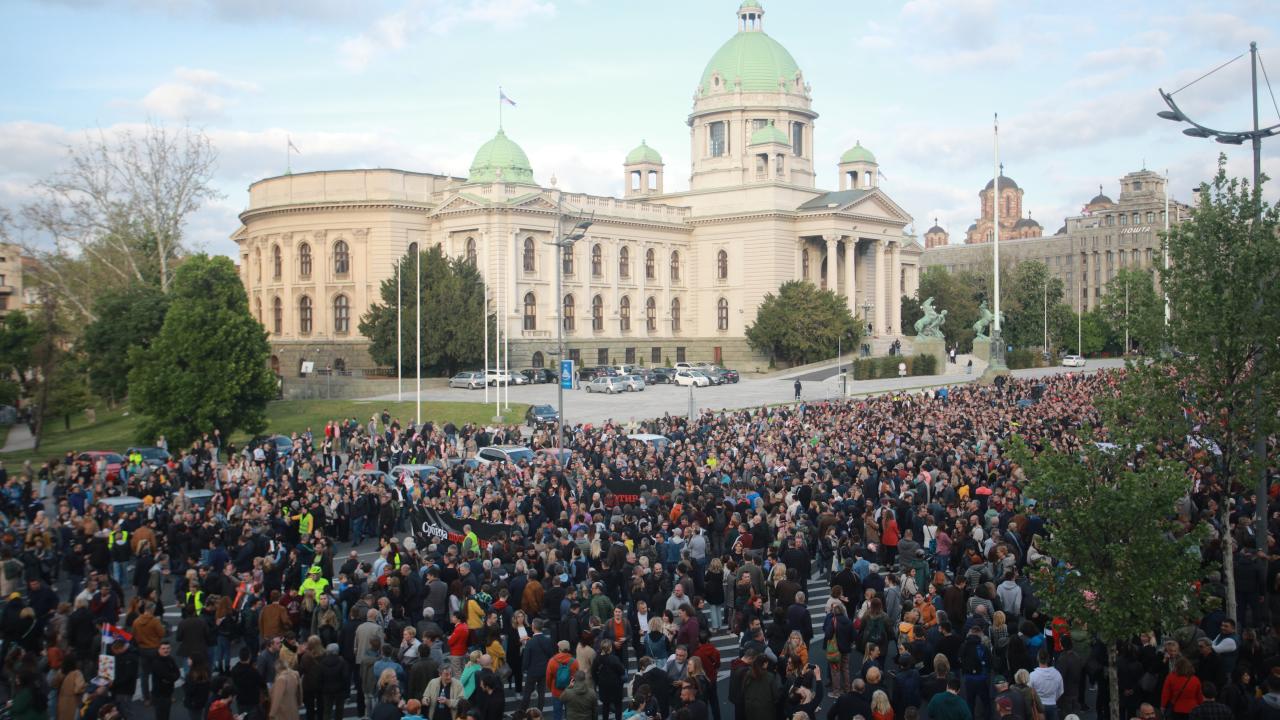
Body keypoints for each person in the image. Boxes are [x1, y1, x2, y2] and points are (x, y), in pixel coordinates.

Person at [1028, 650, 1064, 720]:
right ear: (1048, 659)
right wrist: (1053, 699)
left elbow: (1029, 691)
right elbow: (1061, 691)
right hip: (1052, 705)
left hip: (1038, 707)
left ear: (1037, 659)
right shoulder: (1057, 674)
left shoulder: (1032, 675)